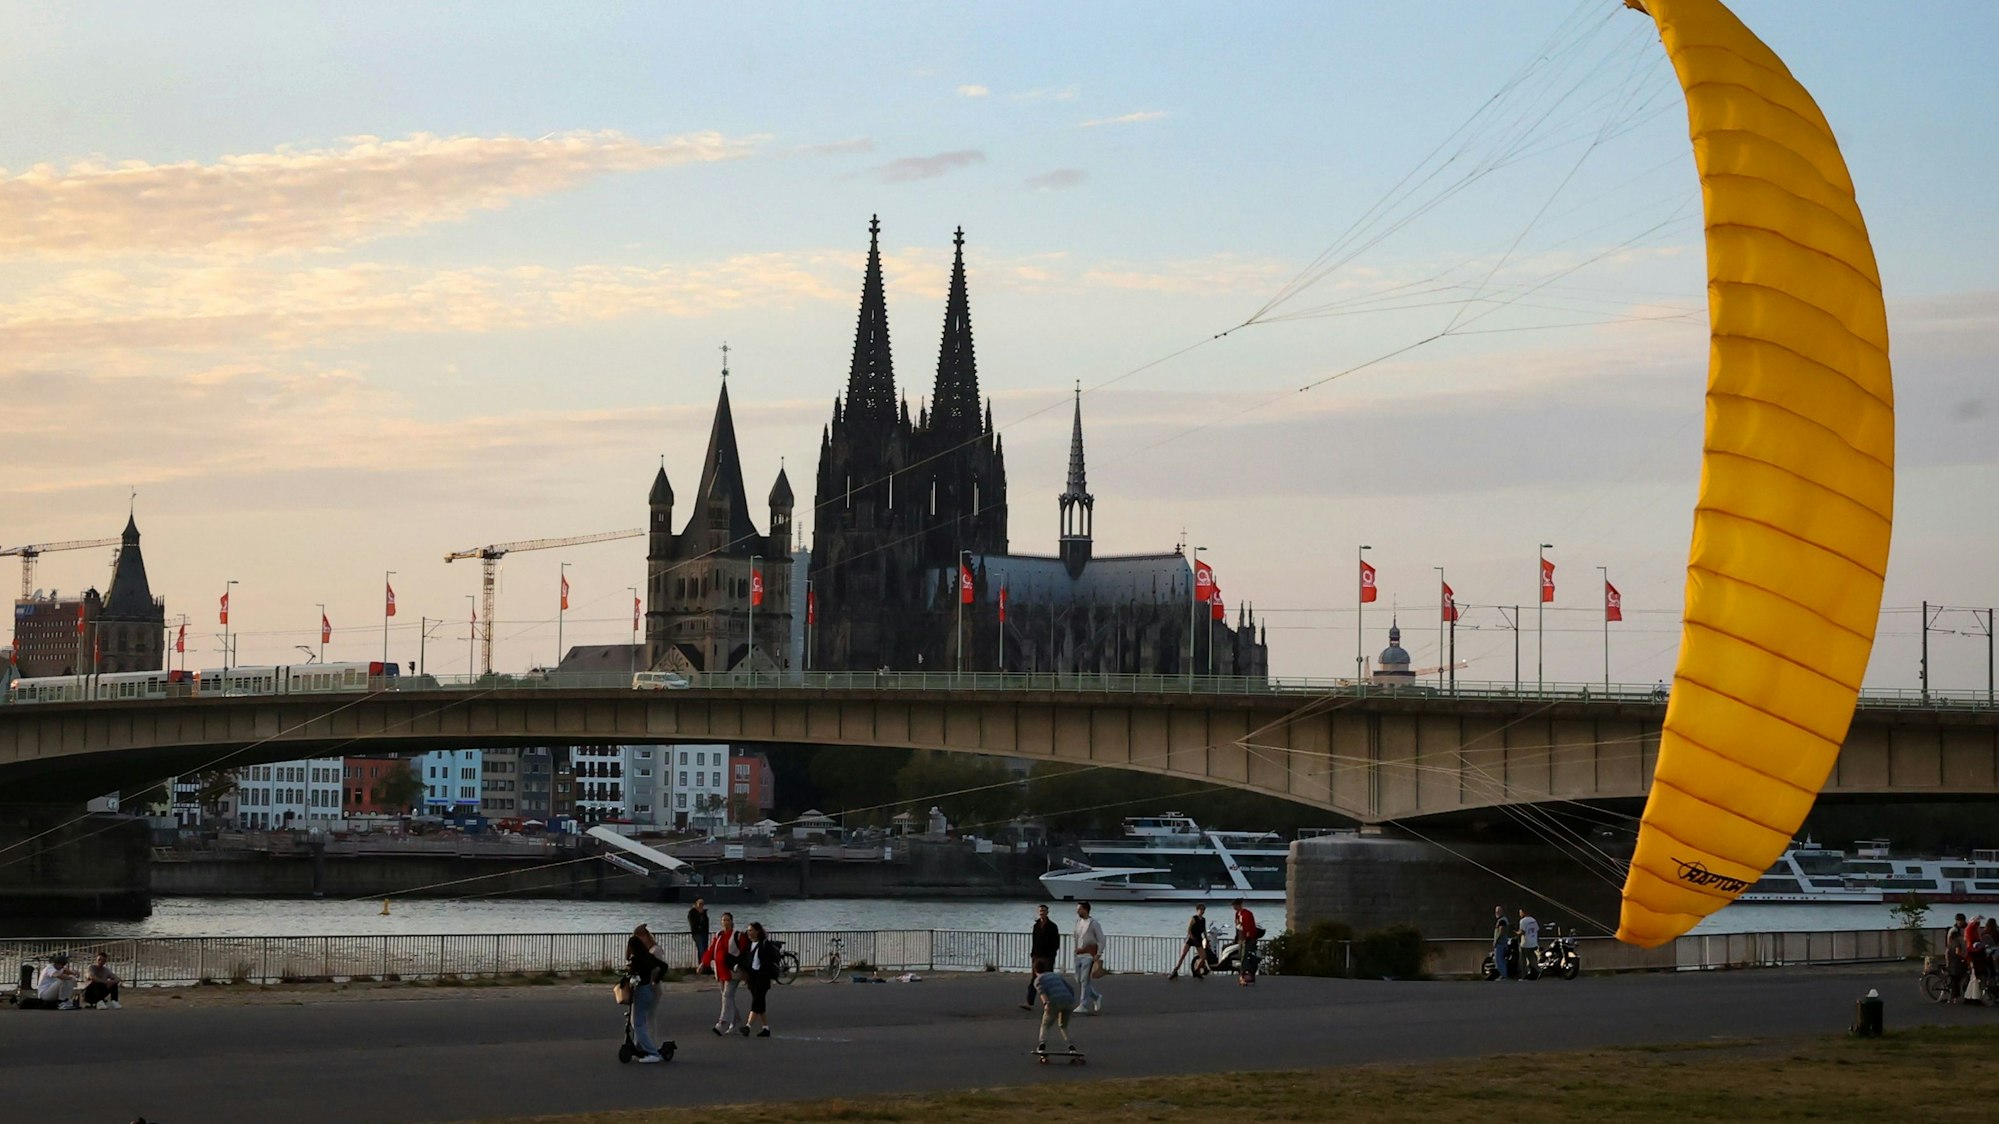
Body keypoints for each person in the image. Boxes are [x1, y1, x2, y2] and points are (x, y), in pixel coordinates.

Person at [624, 924, 670, 1062]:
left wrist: (653, 980)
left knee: (642, 1021)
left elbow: (658, 968)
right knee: (642, 1020)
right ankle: (643, 1046)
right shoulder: (647, 955)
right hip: (649, 988)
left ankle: (651, 1050)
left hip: (645, 989)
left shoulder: (643, 956)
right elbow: (663, 966)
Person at [705, 911, 747, 1035]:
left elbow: (743, 953)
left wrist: (744, 970)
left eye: (728, 920)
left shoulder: (738, 935)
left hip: (733, 972)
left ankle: (722, 1023)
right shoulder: (718, 935)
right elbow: (711, 950)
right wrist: (704, 963)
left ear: (732, 922)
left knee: (726, 996)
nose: (725, 922)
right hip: (720, 971)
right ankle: (736, 1022)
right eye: (724, 920)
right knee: (728, 999)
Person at [1032, 962, 1080, 1057]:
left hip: (1054, 1002)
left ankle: (1042, 1046)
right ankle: (1071, 1047)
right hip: (1068, 1001)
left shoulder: (1038, 980)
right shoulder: (1055, 975)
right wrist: (1072, 1001)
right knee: (1063, 1025)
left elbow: (1042, 993)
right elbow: (1070, 988)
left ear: (1035, 971)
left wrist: (1046, 1004)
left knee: (1046, 1024)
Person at [739, 922, 777, 1037]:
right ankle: (766, 1028)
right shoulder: (749, 945)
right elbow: (746, 960)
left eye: (750, 930)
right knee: (760, 1004)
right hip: (753, 977)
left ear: (757, 931)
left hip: (763, 977)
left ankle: (748, 1026)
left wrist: (768, 973)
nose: (748, 933)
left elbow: (770, 960)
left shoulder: (765, 944)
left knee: (756, 1001)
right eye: (748, 930)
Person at [1023, 903, 1063, 1009]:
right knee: (1034, 979)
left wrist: (1052, 953)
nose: (1042, 913)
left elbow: (1056, 942)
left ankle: (1052, 1002)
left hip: (1048, 957)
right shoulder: (1036, 926)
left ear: (1047, 912)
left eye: (1044, 911)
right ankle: (1029, 1002)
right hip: (1036, 956)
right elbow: (1034, 941)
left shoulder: (1052, 926)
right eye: (1040, 911)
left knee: (1048, 980)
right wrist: (1033, 954)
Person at [1073, 901, 1106, 1015]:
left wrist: (1098, 953)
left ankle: (1083, 1004)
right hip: (1079, 954)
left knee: (1084, 980)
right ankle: (1096, 996)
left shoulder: (1093, 923)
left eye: (1079, 909)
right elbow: (1077, 937)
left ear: (1086, 910)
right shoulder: (1078, 922)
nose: (1077, 911)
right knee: (1078, 979)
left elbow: (1101, 939)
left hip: (1089, 955)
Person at [1169, 904, 1209, 980]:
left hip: (1198, 938)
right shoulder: (1194, 918)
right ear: (1197, 910)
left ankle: (1197, 970)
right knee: (1183, 955)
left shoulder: (1203, 920)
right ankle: (1175, 971)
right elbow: (1189, 929)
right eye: (1201, 909)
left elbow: (1204, 930)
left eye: (1203, 909)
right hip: (1191, 938)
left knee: (1203, 957)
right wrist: (1192, 937)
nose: (1202, 911)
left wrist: (1206, 939)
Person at [1232, 899, 1261, 983]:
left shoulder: (1247, 914)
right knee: (1241, 957)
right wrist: (1237, 938)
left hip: (1247, 939)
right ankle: (1247, 974)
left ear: (1239, 905)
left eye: (1235, 905)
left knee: (1243, 958)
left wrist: (1247, 938)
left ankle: (1244, 976)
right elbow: (1238, 927)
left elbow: (1249, 927)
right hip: (1241, 939)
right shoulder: (1237, 914)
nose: (1234, 908)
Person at [1944, 914, 1968, 1002]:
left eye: (1960, 920)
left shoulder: (1966, 928)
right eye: (1958, 920)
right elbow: (1950, 944)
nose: (1959, 922)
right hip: (1954, 955)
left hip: (1961, 954)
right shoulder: (1954, 931)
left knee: (1960, 975)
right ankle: (1954, 997)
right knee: (1956, 976)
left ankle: (1956, 995)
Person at [687, 898, 711, 973]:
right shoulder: (692, 913)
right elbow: (693, 924)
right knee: (701, 950)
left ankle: (705, 966)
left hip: (704, 933)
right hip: (697, 934)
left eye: (702, 904)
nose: (701, 906)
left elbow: (706, 923)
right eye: (700, 904)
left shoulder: (704, 913)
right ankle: (703, 967)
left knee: (705, 950)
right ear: (696, 904)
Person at [1517, 909, 1541, 981]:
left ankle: (1524, 976)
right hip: (1533, 943)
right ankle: (1538, 971)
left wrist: (1516, 932)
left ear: (1523, 912)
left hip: (1525, 944)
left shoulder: (1523, 921)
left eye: (1520, 912)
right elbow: (1537, 929)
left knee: (1522, 960)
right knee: (1532, 958)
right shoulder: (1533, 920)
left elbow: (1522, 932)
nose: (1519, 914)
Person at [1491, 906, 1513, 981]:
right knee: (1500, 959)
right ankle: (1503, 975)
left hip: (1500, 943)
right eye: (1496, 911)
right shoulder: (1503, 920)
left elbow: (1501, 932)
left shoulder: (1502, 921)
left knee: (1499, 959)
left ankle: (1503, 975)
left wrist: (1496, 941)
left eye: (1498, 911)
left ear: (1502, 912)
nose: (1496, 913)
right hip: (1502, 942)